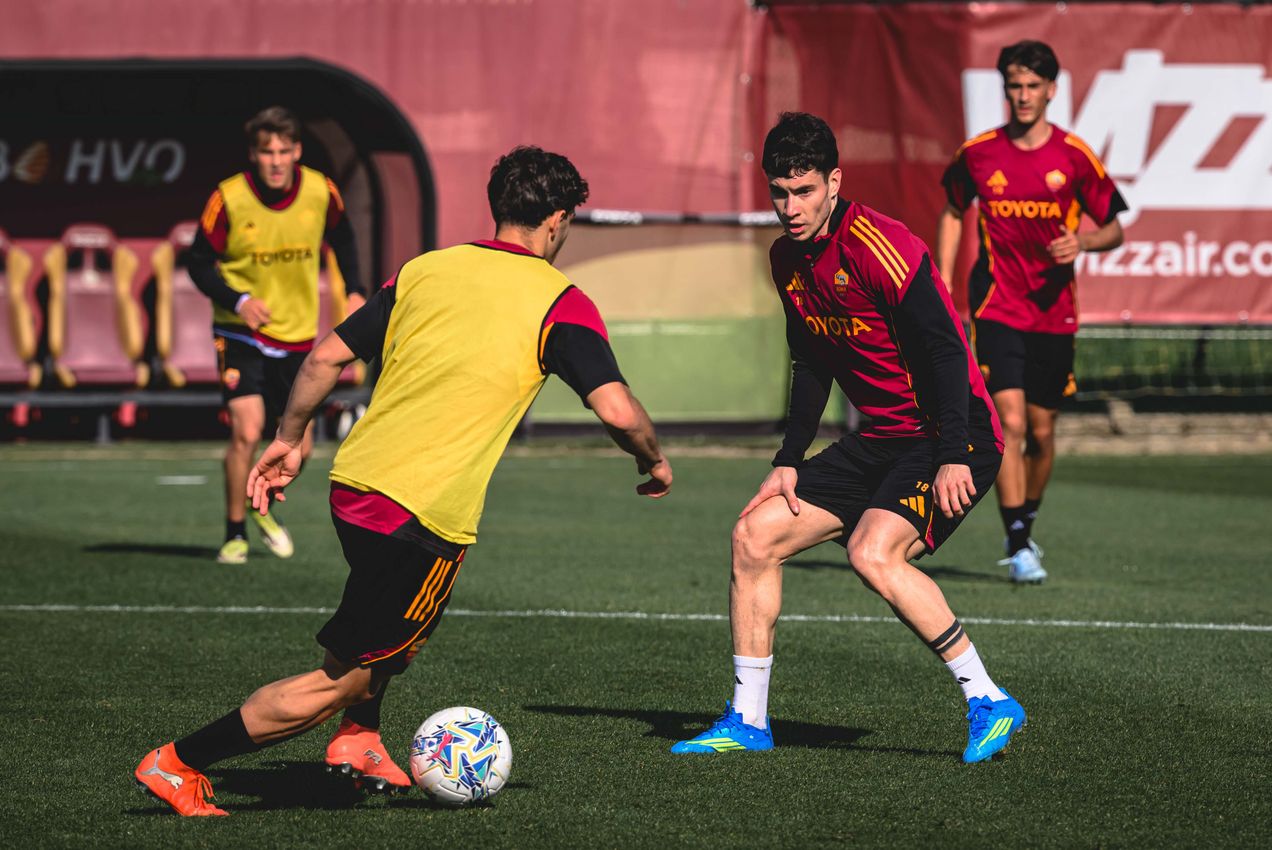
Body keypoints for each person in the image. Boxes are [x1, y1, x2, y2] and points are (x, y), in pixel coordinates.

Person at [135, 146, 673, 816]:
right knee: (341, 677)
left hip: (356, 486)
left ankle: (358, 740)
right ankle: (180, 762)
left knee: (393, 637)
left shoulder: (427, 269)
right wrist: (651, 459)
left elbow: (327, 355)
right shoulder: (561, 300)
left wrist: (290, 438)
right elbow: (617, 409)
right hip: (419, 515)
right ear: (559, 220)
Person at [671, 112, 1023, 764]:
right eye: (779, 192)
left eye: (803, 191)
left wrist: (951, 455)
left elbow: (947, 352)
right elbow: (812, 363)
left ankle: (988, 699)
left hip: (953, 432)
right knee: (753, 536)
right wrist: (788, 461)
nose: (790, 206)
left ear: (834, 181)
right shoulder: (786, 259)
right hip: (885, 437)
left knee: (872, 553)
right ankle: (748, 720)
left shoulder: (880, 245)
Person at [937, 41, 1127, 583]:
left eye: (1031, 86)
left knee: (1043, 432)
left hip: (1055, 314)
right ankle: (1018, 543)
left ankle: (1027, 521)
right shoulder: (978, 153)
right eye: (1013, 86)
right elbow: (953, 212)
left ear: (1051, 90)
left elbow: (1115, 226)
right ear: (1006, 91)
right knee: (1010, 422)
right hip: (996, 306)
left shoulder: (1074, 156)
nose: (1022, 96)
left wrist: (1085, 243)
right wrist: (945, 280)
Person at [189, 105, 367, 565]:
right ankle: (234, 535)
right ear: (254, 154)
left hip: (296, 337)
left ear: (297, 152)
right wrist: (240, 301)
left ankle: (259, 502)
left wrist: (356, 290)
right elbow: (197, 263)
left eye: (283, 150)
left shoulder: (320, 190)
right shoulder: (227, 198)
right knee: (246, 430)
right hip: (240, 333)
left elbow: (344, 238)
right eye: (266, 151)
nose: (275, 160)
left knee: (302, 445)